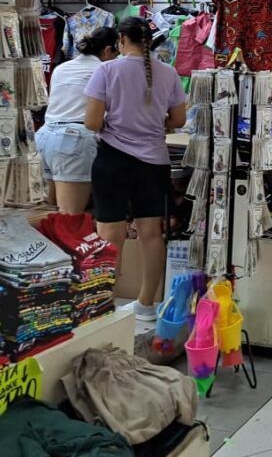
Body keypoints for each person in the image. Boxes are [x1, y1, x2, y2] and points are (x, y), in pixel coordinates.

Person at [84, 17, 188, 322]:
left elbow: (91, 121)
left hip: (113, 161)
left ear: (120, 41)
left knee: (110, 234)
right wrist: (156, 124)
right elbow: (179, 119)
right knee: (151, 234)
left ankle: (104, 305)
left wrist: (116, 126)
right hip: (154, 162)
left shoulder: (106, 70)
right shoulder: (167, 73)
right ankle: (145, 305)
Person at [37, 28, 118, 213]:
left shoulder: (62, 68)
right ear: (107, 50)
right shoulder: (105, 70)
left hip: (43, 137)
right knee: (70, 218)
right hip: (73, 140)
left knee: (46, 215)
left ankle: (42, 244)